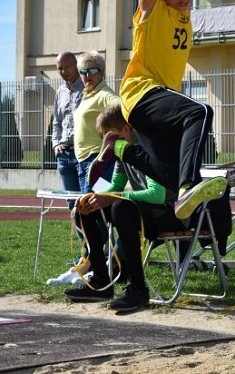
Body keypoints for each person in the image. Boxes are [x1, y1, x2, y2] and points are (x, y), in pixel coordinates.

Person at [87, 0, 227, 219]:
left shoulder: (182, 10)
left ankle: (119, 146)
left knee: (164, 172)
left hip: (159, 103)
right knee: (201, 111)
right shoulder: (151, 9)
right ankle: (187, 189)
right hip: (141, 92)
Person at [65, 103, 190, 312]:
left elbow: (157, 195)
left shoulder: (150, 148)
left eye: (107, 134)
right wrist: (96, 197)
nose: (105, 141)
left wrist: (112, 198)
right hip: (149, 211)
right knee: (85, 208)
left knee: (120, 208)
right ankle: (101, 282)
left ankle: (138, 289)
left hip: (173, 212)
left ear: (125, 129)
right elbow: (115, 186)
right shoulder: (123, 151)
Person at [73, 51, 119, 192]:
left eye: (92, 71)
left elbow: (120, 105)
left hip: (97, 160)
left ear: (102, 73)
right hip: (83, 160)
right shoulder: (88, 94)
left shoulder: (104, 94)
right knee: (90, 204)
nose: (87, 75)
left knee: (94, 203)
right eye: (83, 71)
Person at [51, 51, 85, 192]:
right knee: (71, 201)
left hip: (83, 153)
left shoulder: (87, 87)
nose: (63, 71)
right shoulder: (60, 92)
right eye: (60, 68)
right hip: (64, 154)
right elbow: (57, 122)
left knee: (87, 198)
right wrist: (55, 144)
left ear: (76, 66)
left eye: (67, 67)